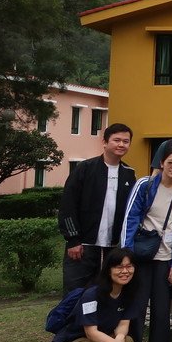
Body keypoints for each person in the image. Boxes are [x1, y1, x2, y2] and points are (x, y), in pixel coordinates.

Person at [120, 148, 172, 342]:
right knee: (137, 305)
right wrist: (126, 255)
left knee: (162, 308)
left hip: (165, 257)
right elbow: (130, 218)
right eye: (170, 162)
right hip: (141, 255)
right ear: (161, 162)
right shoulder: (145, 185)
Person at [58, 123, 137, 294]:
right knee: (75, 294)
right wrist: (73, 239)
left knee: (106, 292)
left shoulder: (129, 174)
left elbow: (132, 210)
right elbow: (68, 205)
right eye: (116, 140)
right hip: (83, 246)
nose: (121, 145)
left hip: (112, 247)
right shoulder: (85, 169)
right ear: (105, 142)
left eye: (126, 141)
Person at [50, 248, 137, 342]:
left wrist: (120, 340)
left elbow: (123, 324)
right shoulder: (92, 294)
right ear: (108, 270)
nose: (125, 271)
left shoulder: (128, 292)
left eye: (129, 266)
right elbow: (91, 333)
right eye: (119, 267)